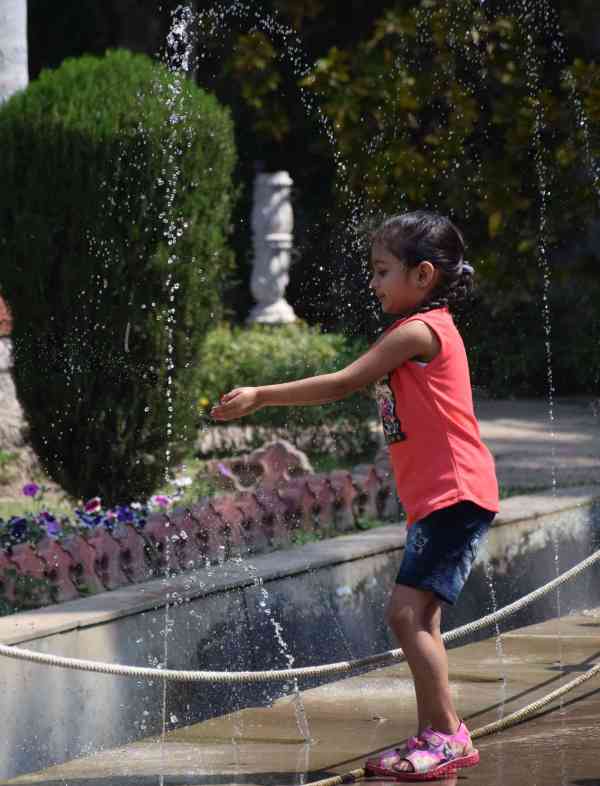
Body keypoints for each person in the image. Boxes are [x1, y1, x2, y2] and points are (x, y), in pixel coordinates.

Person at [211, 210, 499, 781]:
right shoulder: (418, 328)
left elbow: (345, 382)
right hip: (441, 497)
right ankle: (434, 733)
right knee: (420, 618)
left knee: (405, 614)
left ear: (422, 275)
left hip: (455, 494)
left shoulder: (420, 331)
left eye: (382, 271)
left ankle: (448, 736)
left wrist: (262, 395)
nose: (372, 283)